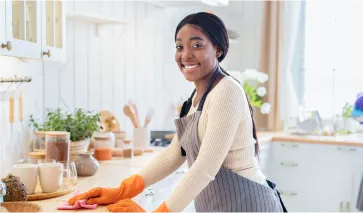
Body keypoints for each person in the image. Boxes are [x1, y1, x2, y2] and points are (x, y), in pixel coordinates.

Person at [68, 12, 287, 213]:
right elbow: (174, 154)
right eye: (179, 47)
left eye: (197, 45)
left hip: (248, 205)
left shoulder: (227, 91)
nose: (186, 55)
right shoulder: (193, 101)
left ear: (218, 49)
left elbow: (204, 168)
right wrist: (121, 191)